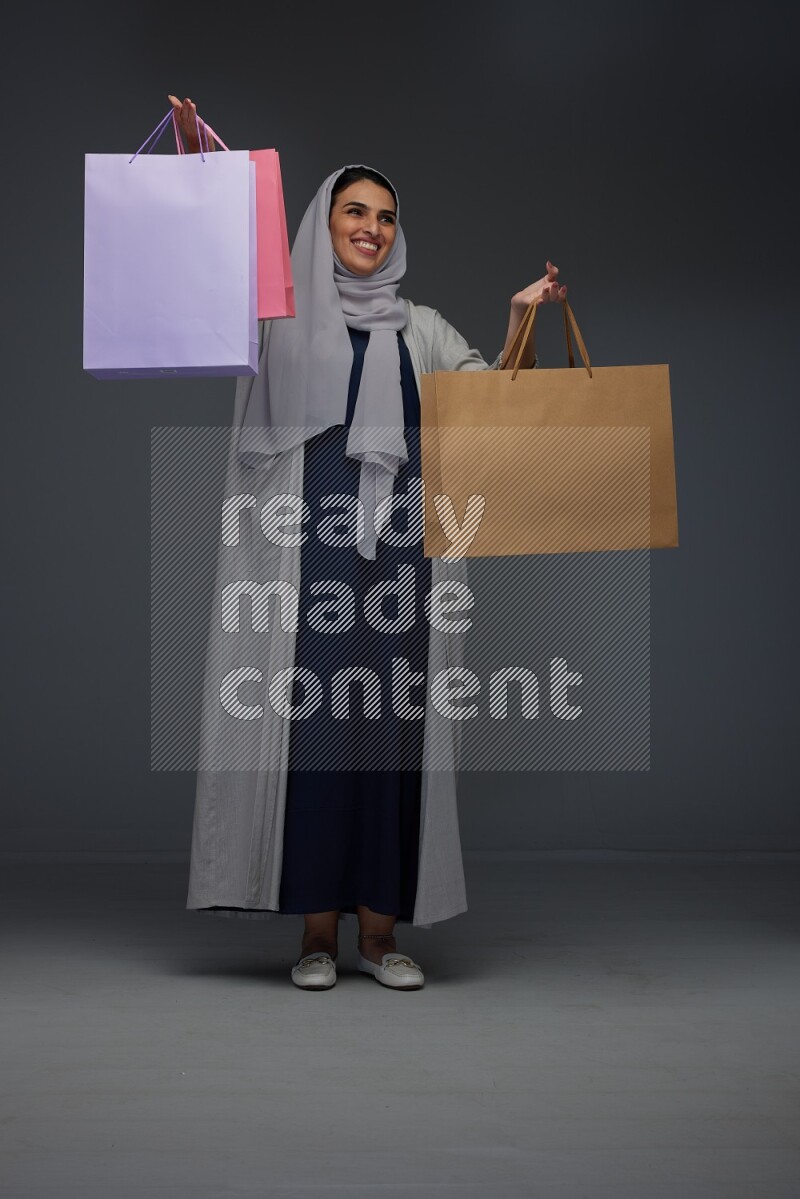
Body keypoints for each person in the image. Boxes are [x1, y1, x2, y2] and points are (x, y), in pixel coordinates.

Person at [172, 96, 567, 992]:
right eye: (356, 211)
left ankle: (383, 937)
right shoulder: (281, 321)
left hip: (403, 566)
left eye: (387, 217)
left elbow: (494, 402)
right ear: (325, 221)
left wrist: (519, 321)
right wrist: (200, 170)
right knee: (313, 734)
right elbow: (218, 276)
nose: (373, 229)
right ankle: (316, 935)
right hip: (305, 560)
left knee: (390, 737)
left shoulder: (420, 329)